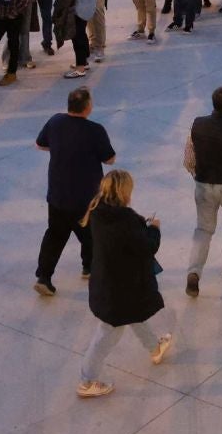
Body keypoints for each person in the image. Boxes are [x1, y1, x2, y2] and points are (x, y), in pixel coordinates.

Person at [75, 170, 176, 399]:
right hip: (118, 289)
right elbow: (147, 247)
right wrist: (154, 228)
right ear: (124, 191)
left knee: (132, 314)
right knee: (105, 336)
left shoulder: (97, 210)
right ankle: (87, 380)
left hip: (107, 282)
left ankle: (155, 348)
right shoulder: (125, 220)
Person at [36, 86, 116, 297]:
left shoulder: (55, 122)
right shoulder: (95, 130)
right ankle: (89, 267)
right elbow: (110, 159)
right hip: (86, 199)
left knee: (54, 235)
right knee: (91, 235)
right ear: (88, 107)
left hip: (58, 194)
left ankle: (44, 277)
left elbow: (40, 144)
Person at [183, 85, 222, 298]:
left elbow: (188, 160)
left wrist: (197, 176)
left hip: (203, 185)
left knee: (203, 230)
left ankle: (194, 272)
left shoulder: (197, 125)